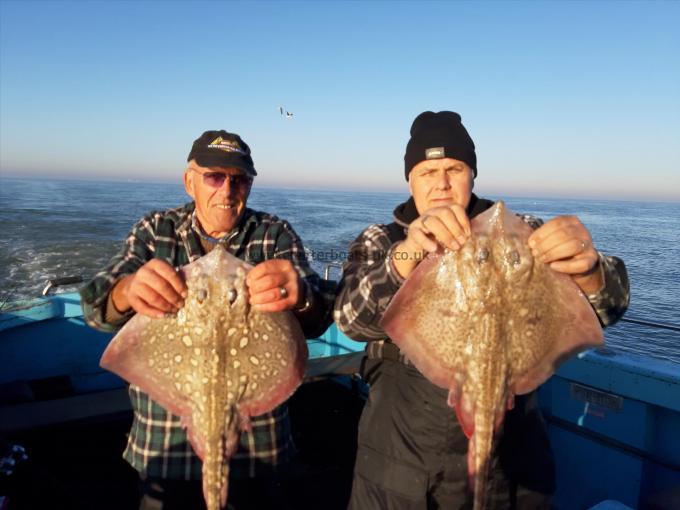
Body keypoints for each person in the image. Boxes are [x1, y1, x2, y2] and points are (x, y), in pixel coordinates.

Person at [334, 111, 630, 510]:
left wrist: (592, 271)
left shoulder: (522, 232)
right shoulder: (383, 239)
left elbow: (608, 310)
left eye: (454, 168)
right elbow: (350, 319)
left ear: (472, 173)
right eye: (427, 171)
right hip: (400, 472)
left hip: (512, 472)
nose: (441, 183)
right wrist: (408, 254)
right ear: (410, 179)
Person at [80, 130, 335, 510]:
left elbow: (321, 313)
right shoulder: (156, 231)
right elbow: (95, 307)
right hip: (165, 444)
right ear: (189, 181)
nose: (227, 190)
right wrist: (128, 290)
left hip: (257, 447)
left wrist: (300, 296)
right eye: (215, 177)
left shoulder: (274, 234)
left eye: (240, 179)